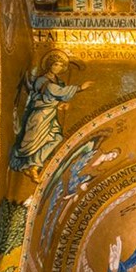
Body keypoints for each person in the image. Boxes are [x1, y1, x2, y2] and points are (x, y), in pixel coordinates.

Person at [9, 51, 89, 180]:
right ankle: (30, 164)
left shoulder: (59, 81)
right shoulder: (42, 80)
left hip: (50, 115)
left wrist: (61, 104)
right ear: (49, 65)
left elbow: (55, 97)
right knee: (33, 141)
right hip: (40, 114)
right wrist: (79, 88)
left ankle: (34, 166)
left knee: (56, 138)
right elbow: (52, 91)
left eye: (60, 66)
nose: (57, 68)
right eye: (55, 64)